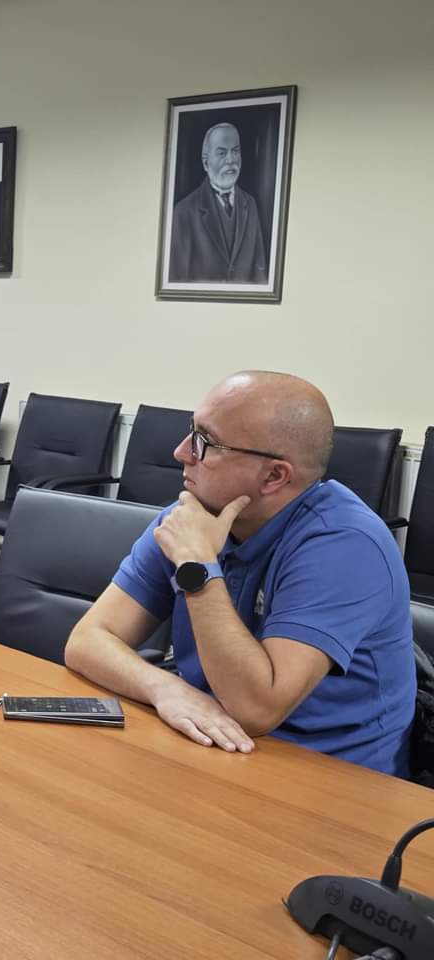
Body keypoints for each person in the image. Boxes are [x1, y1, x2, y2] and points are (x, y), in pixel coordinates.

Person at [65, 372, 415, 777]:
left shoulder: (345, 544)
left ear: (274, 476)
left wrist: (198, 567)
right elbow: (87, 641)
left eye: (206, 442)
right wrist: (166, 688)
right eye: (191, 431)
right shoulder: (190, 518)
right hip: (213, 738)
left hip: (327, 773)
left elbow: (257, 710)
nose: (181, 452)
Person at [168, 122, 268, 284]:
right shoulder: (183, 212)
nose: (231, 160)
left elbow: (260, 277)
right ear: (205, 163)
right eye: (222, 153)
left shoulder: (250, 205)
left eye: (235, 151)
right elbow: (176, 281)